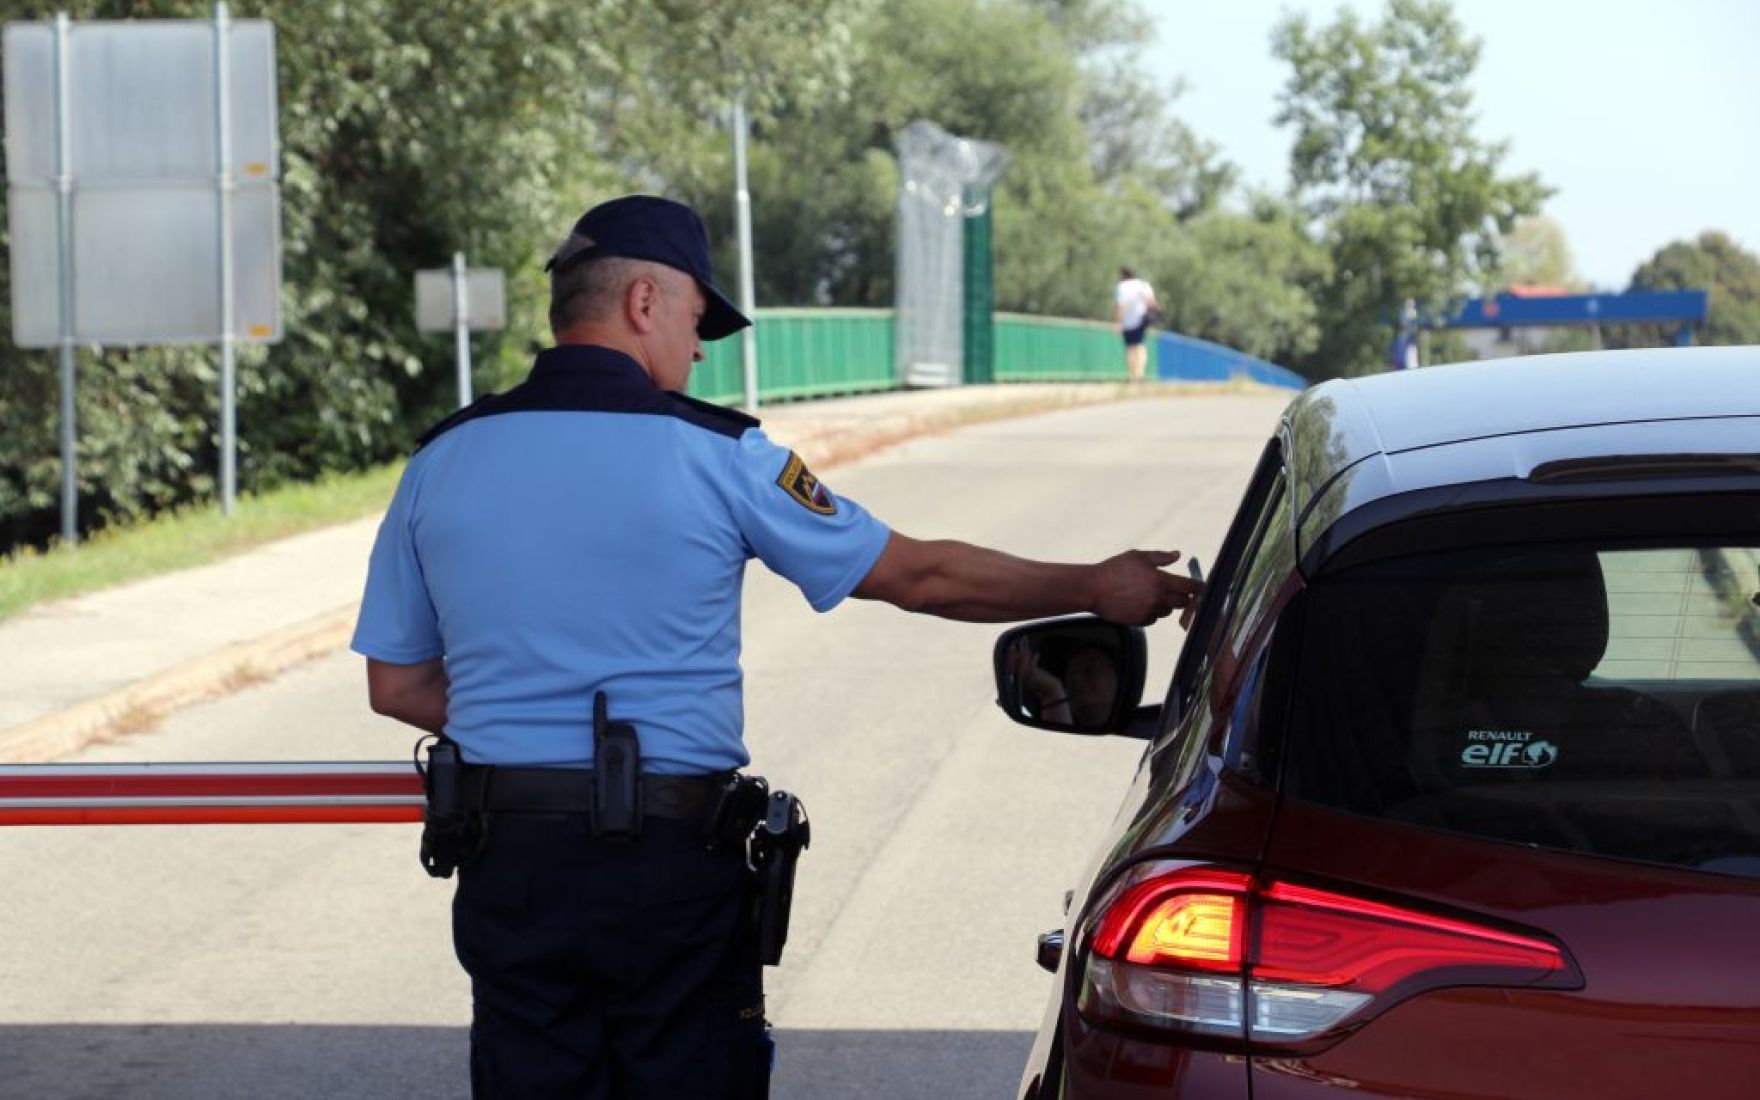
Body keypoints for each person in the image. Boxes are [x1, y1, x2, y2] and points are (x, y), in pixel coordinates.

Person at [351, 194, 1203, 1100]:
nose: (701, 347)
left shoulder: (441, 460)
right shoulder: (723, 455)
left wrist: (521, 708)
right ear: (644, 302)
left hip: (509, 863)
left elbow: (396, 683)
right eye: (693, 316)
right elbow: (919, 577)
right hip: (667, 870)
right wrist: (1093, 587)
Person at [1114, 266, 1159, 383]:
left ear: (1123, 275)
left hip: (1128, 321)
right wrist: (1152, 317)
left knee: (1130, 348)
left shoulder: (1123, 287)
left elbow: (1121, 305)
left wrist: (1118, 322)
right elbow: (1152, 302)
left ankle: (1133, 376)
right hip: (1142, 320)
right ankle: (1140, 374)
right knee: (1140, 346)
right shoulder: (1144, 285)